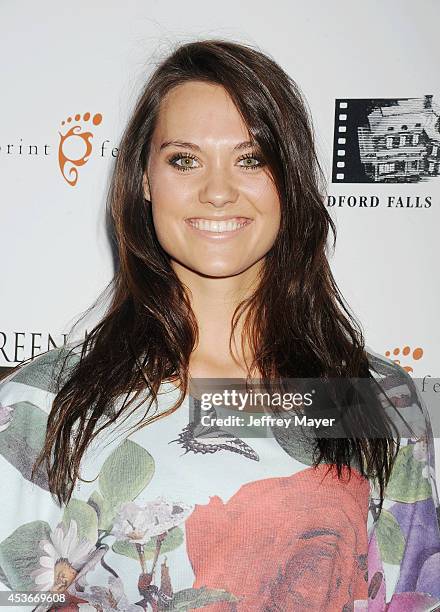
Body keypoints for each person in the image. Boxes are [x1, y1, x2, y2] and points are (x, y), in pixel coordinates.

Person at [0, 39, 439, 612]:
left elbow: (414, 593)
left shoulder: (373, 398)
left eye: (251, 158)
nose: (217, 190)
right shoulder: (46, 403)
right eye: (184, 159)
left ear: (291, 181)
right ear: (143, 180)